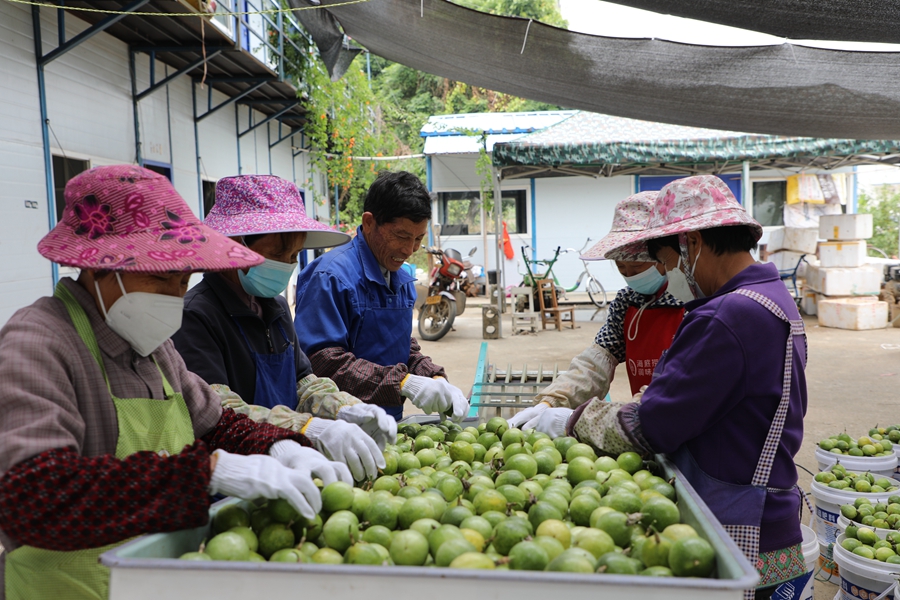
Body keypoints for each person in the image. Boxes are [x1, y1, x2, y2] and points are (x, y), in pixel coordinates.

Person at [0, 165, 351, 600]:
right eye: (160, 277)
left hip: (160, 580)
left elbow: (215, 422)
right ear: (99, 268)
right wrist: (206, 473)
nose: (174, 296)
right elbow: (31, 495)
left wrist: (279, 443)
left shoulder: (153, 345)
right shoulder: (39, 341)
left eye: (182, 280)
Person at [563, 175, 808, 599]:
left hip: (738, 523)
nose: (664, 273)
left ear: (691, 244)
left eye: (663, 260)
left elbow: (652, 425)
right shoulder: (773, 297)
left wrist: (575, 418)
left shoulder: (727, 315)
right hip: (771, 513)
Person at [172, 175, 394, 481]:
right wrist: (306, 427)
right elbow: (218, 410)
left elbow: (304, 382)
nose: (287, 265)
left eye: (293, 256)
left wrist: (344, 408)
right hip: (236, 480)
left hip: (295, 467)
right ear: (232, 246)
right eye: (277, 254)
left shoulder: (273, 307)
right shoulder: (196, 316)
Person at [293, 171, 468, 422]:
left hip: (389, 422)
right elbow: (320, 363)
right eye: (401, 236)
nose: (408, 250)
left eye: (418, 239)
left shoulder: (400, 276)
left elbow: (398, 345)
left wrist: (431, 376)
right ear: (368, 222)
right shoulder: (330, 277)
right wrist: (403, 382)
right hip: (339, 427)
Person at [508, 192, 685, 435]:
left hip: (671, 421)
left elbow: (675, 392)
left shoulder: (692, 304)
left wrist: (588, 423)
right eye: (622, 268)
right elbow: (595, 364)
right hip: (643, 430)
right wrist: (551, 401)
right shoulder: (627, 302)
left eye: (637, 266)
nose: (630, 275)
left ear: (664, 257)